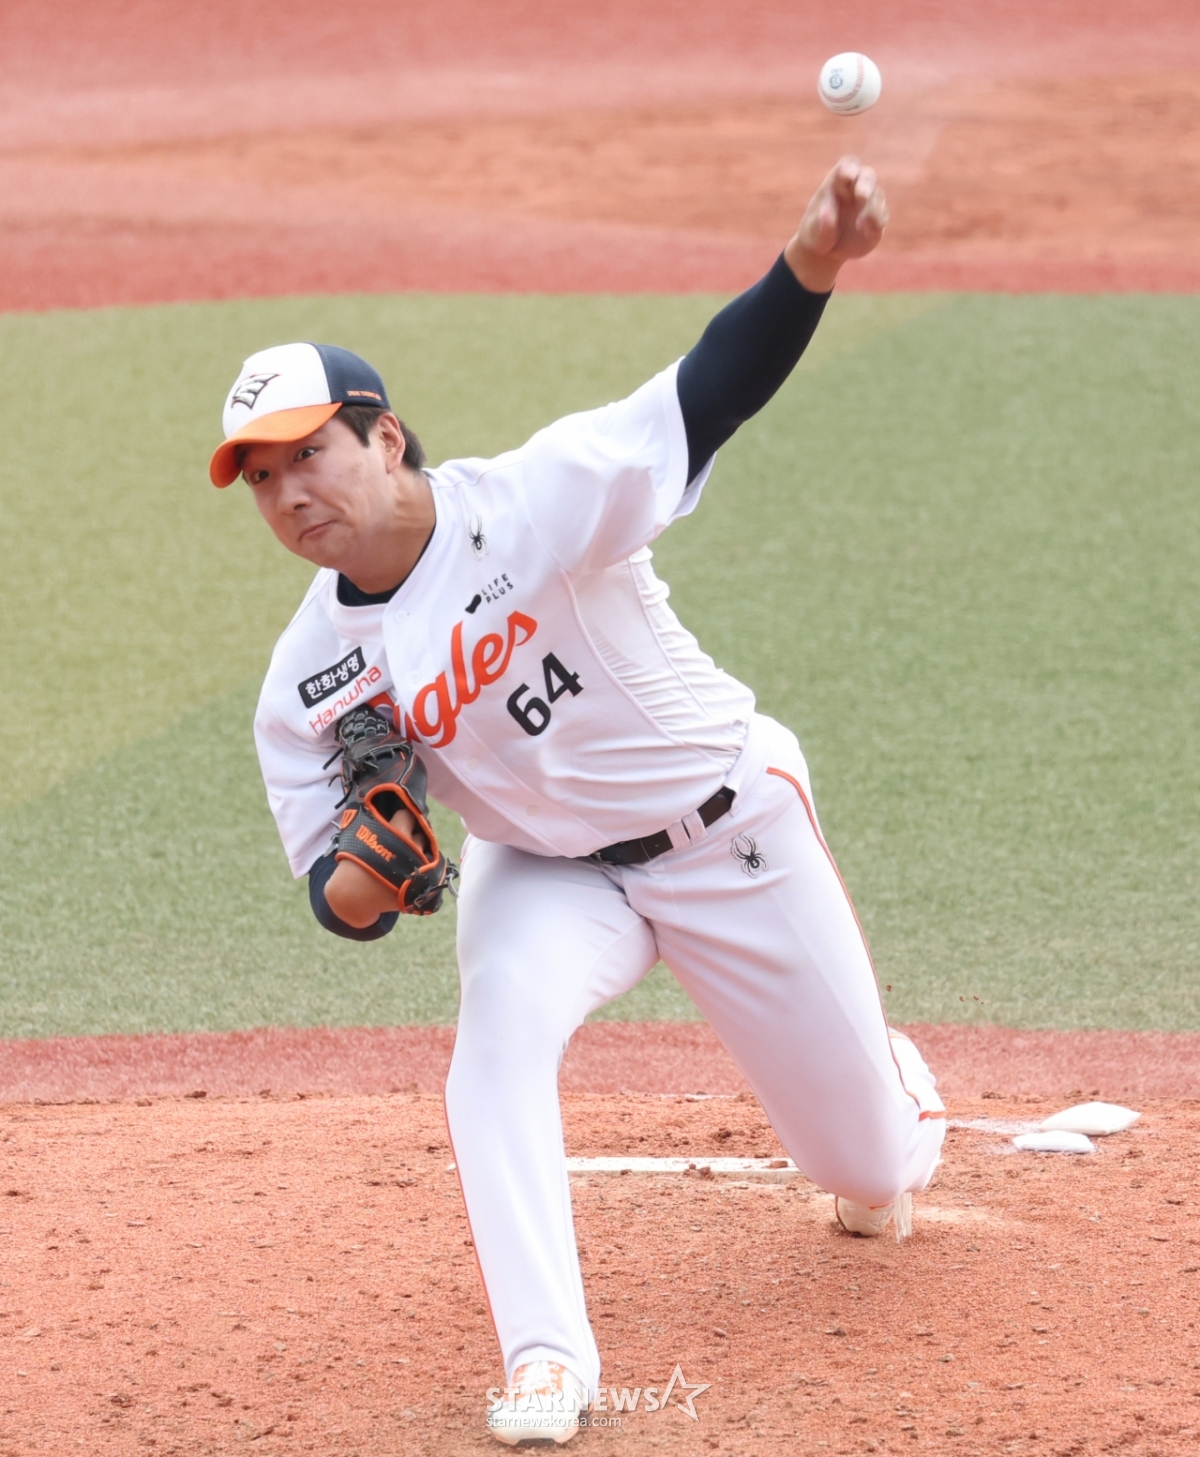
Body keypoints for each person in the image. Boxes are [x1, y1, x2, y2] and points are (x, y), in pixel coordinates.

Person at [209, 156, 946, 1447]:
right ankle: (547, 1357)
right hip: (547, 871)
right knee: (491, 1045)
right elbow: (335, 893)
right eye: (261, 478)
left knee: (868, 1172)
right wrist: (365, 882)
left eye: (307, 454)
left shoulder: (536, 499)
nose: (289, 494)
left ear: (386, 438)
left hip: (728, 827)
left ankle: (894, 1091)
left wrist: (815, 261)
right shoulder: (307, 677)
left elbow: (707, 392)